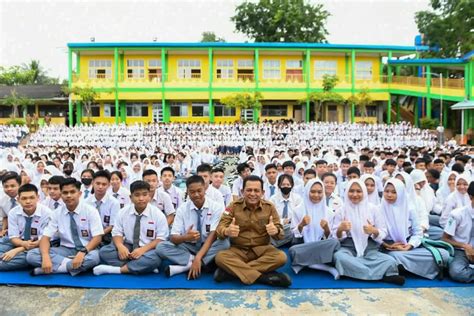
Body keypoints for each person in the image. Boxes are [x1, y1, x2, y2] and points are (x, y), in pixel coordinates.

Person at [214, 175, 291, 287]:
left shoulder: (269, 207)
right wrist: (227, 231)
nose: (253, 194)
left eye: (256, 190)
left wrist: (276, 231)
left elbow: (280, 234)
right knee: (220, 257)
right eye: (249, 190)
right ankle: (264, 278)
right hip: (238, 250)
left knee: (281, 257)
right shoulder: (233, 206)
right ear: (242, 191)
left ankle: (231, 272)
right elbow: (219, 229)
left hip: (263, 250)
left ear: (262, 192)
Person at [332, 179, 404, 285]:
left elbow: (383, 232)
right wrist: (340, 229)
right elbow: (335, 237)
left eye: (358, 191)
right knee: (339, 257)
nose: (355, 194)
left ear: (364, 192)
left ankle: (359, 272)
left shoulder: (373, 209)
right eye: (351, 191)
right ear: (347, 192)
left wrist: (374, 231)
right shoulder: (341, 211)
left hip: (370, 248)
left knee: (390, 260)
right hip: (348, 248)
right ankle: (383, 274)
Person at [156, 175, 230, 279]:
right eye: (192, 192)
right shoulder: (182, 209)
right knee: (161, 247)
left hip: (208, 245)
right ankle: (202, 263)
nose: (196, 195)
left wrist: (198, 257)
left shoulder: (216, 207)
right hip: (188, 246)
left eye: (199, 191)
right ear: (187, 192)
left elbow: (213, 235)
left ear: (205, 189)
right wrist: (185, 237)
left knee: (224, 243)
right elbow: (173, 238)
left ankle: (186, 267)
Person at [26, 178, 104, 276]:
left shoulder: (90, 211)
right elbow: (45, 237)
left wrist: (82, 252)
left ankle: (57, 268)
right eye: (65, 193)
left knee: (94, 258)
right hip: (66, 249)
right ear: (61, 194)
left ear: (79, 194)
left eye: (72, 192)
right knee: (32, 255)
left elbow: (97, 238)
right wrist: (45, 257)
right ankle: (74, 266)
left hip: (88, 249)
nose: (68, 195)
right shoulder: (56, 213)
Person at [94, 180, 168, 275]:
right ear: (131, 197)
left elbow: (161, 238)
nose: (141, 198)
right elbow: (117, 233)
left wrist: (142, 250)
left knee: (156, 258)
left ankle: (117, 270)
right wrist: (120, 247)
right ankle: (142, 266)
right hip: (128, 246)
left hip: (148, 249)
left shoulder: (158, 214)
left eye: (145, 194)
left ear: (149, 196)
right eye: (137, 195)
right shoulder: (123, 212)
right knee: (104, 252)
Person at [381, 178, 449, 280]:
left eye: (394, 192)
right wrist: (388, 245)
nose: (389, 195)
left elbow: (417, 232)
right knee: (392, 257)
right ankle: (401, 265)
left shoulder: (409, 209)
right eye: (387, 191)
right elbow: (375, 235)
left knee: (443, 254)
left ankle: (401, 267)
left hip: (407, 246)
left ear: (400, 193)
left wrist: (410, 245)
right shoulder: (379, 209)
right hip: (388, 248)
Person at [289, 179, 340, 278]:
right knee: (293, 251)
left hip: (320, 246)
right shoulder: (298, 210)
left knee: (335, 243)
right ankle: (327, 268)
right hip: (303, 246)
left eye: (319, 192)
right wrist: (301, 225)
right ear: (307, 191)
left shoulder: (329, 212)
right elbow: (294, 235)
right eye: (312, 191)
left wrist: (326, 228)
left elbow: (329, 237)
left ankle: (304, 263)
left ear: (323, 193)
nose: (316, 195)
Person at [0, 184, 52, 271]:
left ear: (38, 197)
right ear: (18, 199)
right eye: (24, 198)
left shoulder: (47, 213)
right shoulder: (13, 212)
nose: (28, 201)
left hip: (38, 245)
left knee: (29, 257)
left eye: (32, 198)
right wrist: (23, 244)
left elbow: (43, 240)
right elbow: (13, 237)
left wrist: (17, 250)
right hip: (18, 242)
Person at [442, 181, 474, 283]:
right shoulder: (457, 214)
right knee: (457, 272)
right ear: (471, 197)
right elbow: (445, 238)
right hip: (461, 251)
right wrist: (465, 246)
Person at [85, 170, 120, 245]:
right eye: (98, 183)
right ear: (92, 183)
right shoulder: (86, 202)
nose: (100, 187)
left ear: (109, 185)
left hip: (106, 236)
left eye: (104, 184)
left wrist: (98, 235)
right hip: (89, 235)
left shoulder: (114, 203)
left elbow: (112, 225)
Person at [269, 174, 303, 247]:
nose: (286, 187)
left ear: (292, 185)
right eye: (283, 184)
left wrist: (290, 221)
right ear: (279, 185)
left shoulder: (297, 198)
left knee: (294, 230)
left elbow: (299, 216)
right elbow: (271, 217)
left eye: (288, 184)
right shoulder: (273, 199)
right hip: (278, 227)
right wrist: (282, 221)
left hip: (292, 227)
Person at [0, 172, 21, 236]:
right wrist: (3, 230)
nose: (9, 189)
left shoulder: (25, 199)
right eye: (6, 186)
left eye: (12, 186)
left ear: (20, 185)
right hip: (10, 230)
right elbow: (5, 217)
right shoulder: (3, 200)